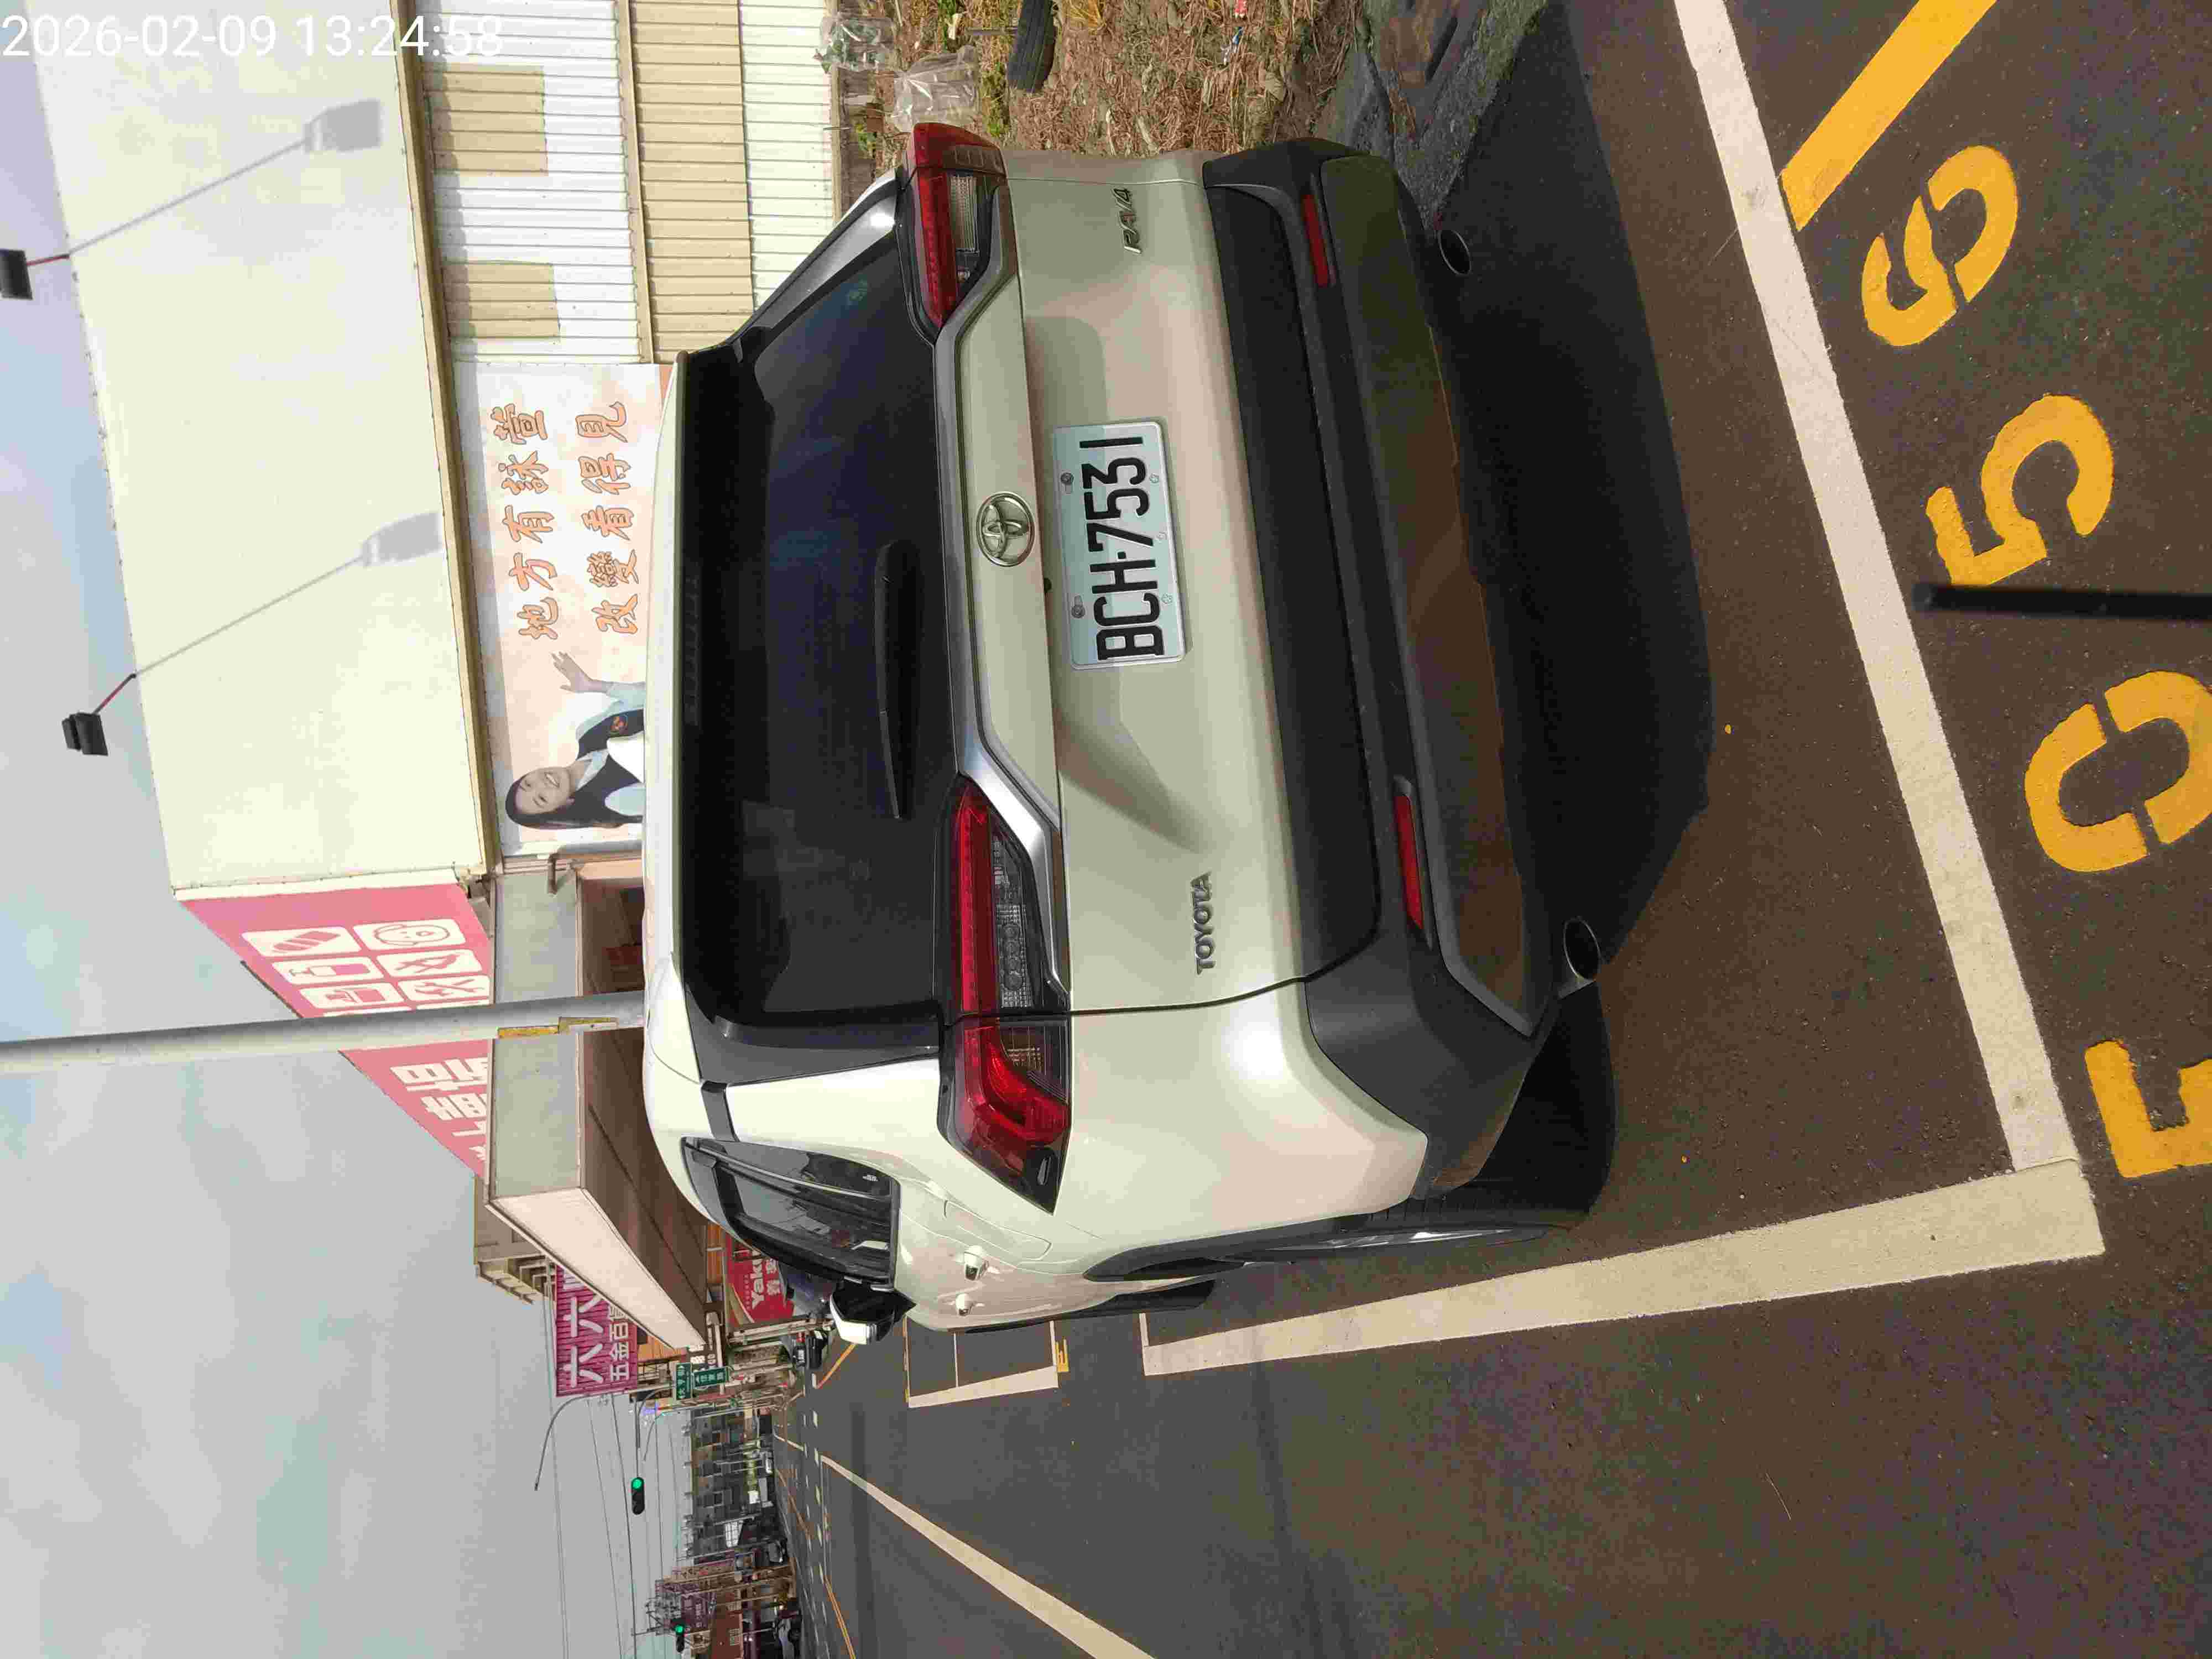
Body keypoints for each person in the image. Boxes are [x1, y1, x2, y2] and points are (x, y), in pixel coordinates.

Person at [504, 650, 645, 831]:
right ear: (560, 808)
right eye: (542, 799)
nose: (542, 784)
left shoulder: (586, 732)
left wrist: (595, 686)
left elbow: (651, 698)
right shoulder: (614, 800)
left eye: (529, 783)